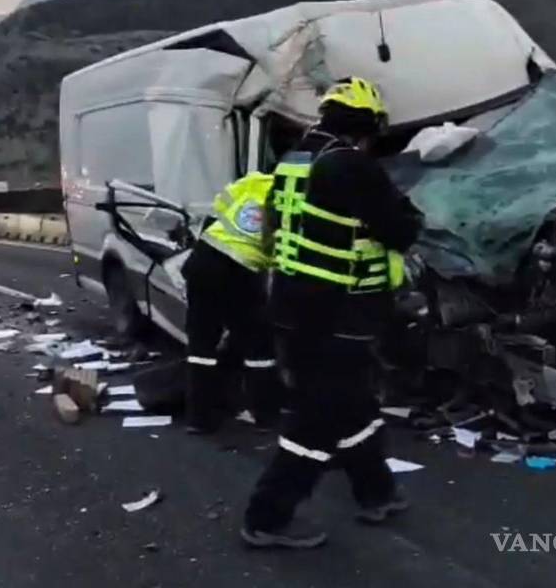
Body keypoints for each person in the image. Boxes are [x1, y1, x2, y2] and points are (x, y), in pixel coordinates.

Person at [241, 77, 424, 549]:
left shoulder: (293, 161)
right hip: (338, 313)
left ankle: (377, 492)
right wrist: (407, 212)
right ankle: (267, 517)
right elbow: (400, 230)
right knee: (318, 419)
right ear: (369, 125)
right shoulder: (352, 165)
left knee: (352, 403)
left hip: (290, 305)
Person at [182, 171, 285, 434]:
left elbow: (220, 205)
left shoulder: (257, 180)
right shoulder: (300, 199)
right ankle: (266, 415)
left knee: (201, 343)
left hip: (204, 257)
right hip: (242, 269)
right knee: (258, 344)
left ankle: (199, 419)